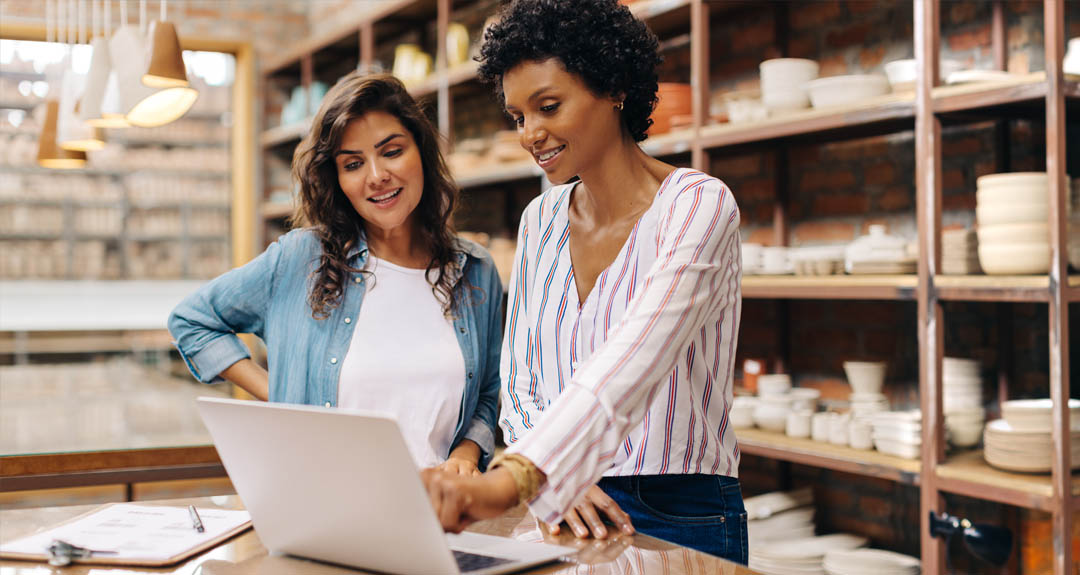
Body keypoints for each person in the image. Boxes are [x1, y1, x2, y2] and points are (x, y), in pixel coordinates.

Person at [420, 0, 747, 563]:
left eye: (548, 106)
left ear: (614, 87)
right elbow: (520, 377)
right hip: (556, 506)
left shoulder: (698, 206)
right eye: (519, 117)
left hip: (678, 508)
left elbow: (635, 358)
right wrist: (553, 480)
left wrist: (519, 476)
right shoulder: (539, 220)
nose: (530, 134)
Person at [169, 72, 503, 475]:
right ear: (337, 179)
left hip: (444, 520)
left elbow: (487, 389)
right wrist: (279, 397)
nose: (377, 175)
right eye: (353, 164)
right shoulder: (302, 259)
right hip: (326, 515)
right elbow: (192, 320)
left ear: (422, 152)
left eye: (392, 151)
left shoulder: (475, 270)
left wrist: (467, 453)